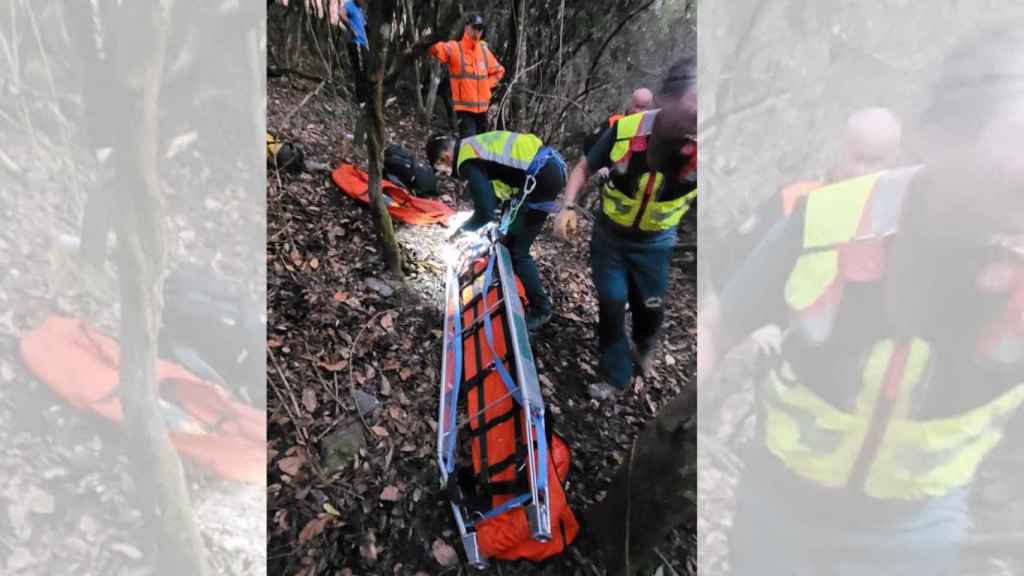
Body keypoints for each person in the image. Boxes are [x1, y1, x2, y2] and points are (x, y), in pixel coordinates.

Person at [699, 24, 1024, 575]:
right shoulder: (819, 216)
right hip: (780, 507)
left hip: (921, 527)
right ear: (936, 133)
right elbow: (723, 318)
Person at [553, 57, 698, 399]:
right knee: (612, 303)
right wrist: (567, 206)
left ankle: (645, 345)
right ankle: (617, 375)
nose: (697, 120)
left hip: (656, 244)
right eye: (693, 110)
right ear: (666, 99)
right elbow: (584, 168)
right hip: (611, 239)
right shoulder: (625, 131)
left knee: (650, 306)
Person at [711, 106, 903, 291]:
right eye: (856, 157)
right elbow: (729, 268)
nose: (859, 172)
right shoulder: (793, 200)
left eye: (874, 161)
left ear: (894, 160)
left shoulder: (900, 223)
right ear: (842, 148)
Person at [427, 130, 567, 331]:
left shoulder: (466, 161)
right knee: (508, 241)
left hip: (541, 177)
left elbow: (485, 213)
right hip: (547, 168)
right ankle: (513, 287)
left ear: (445, 157)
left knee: (518, 251)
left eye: (442, 169)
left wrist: (458, 234)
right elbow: (500, 184)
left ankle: (541, 309)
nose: (446, 173)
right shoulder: (472, 145)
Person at [429, 15, 505, 139]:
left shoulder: (484, 52)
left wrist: (487, 85)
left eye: (480, 29)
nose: (477, 32)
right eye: (474, 28)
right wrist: (429, 39)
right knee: (469, 147)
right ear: (466, 28)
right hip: (464, 111)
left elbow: (499, 71)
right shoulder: (454, 48)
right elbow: (436, 49)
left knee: (482, 149)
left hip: (483, 111)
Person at [340, 0, 370, 145]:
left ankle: (365, 96)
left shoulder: (360, 9)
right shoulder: (349, 5)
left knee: (365, 70)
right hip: (355, 42)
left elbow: (364, 26)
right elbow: (342, 15)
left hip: (363, 43)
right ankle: (361, 99)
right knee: (360, 70)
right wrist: (351, 28)